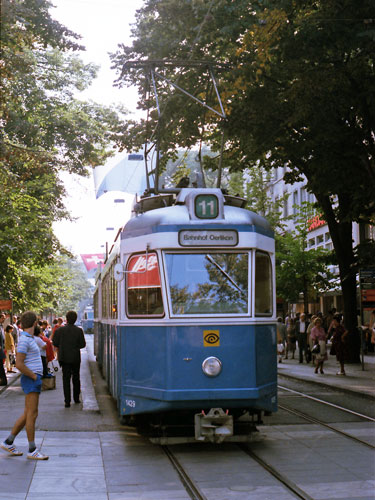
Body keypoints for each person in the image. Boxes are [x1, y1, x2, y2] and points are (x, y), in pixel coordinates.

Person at [1, 311, 49, 460]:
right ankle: (32, 449)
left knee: (27, 413)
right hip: (31, 379)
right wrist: (35, 376)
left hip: (31, 378)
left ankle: (9, 442)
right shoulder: (25, 340)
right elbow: (19, 364)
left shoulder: (27, 338)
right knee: (32, 414)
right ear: (35, 323)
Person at [53, 310, 86, 408]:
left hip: (64, 358)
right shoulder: (79, 330)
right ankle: (76, 398)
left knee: (66, 379)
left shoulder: (60, 330)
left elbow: (55, 343)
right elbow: (82, 345)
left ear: (66, 319)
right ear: (75, 319)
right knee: (76, 378)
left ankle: (67, 401)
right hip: (75, 358)